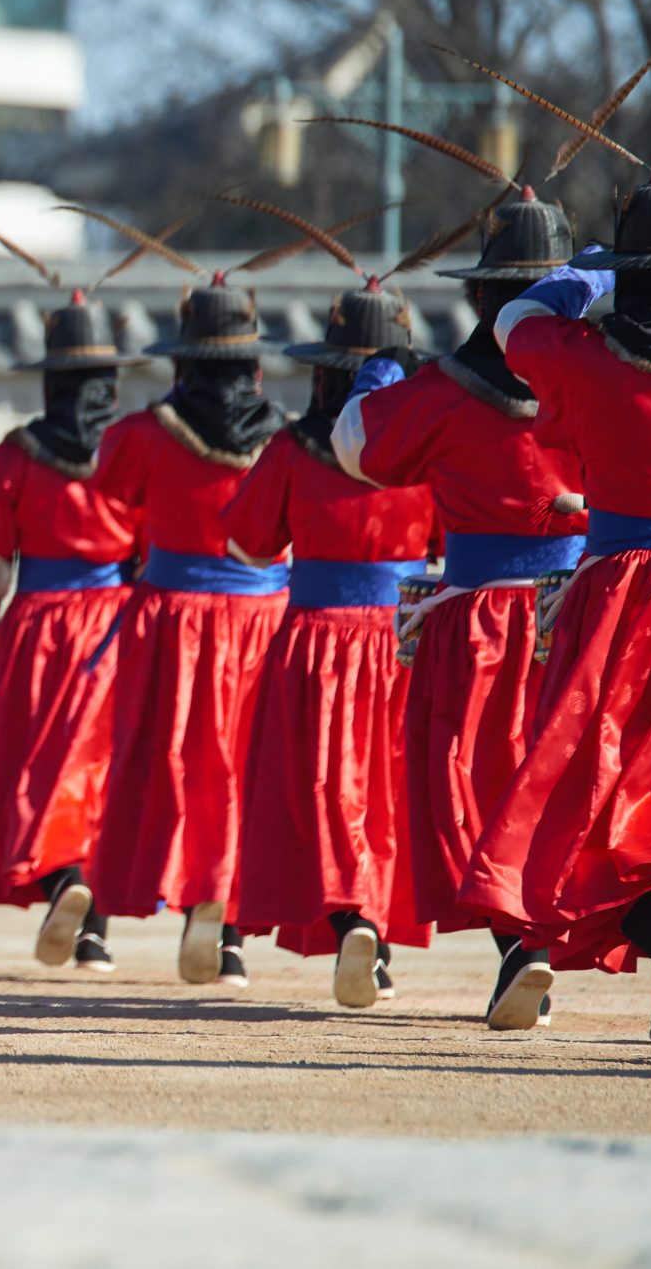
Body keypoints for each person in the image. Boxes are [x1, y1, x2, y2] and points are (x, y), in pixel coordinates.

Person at [459, 171, 651, 1045]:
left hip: (624, 603)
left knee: (594, 797)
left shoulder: (585, 356)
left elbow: (513, 320)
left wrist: (590, 270)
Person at [331, 191, 584, 1029]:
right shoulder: (600, 377)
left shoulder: (440, 393)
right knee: (577, 784)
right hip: (585, 615)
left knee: (467, 785)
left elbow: (358, 447)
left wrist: (379, 374)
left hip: (477, 620)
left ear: (480, 296)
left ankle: (519, 943)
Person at [226, 281, 436, 1007]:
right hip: (404, 638)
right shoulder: (426, 448)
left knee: (324, 785)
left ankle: (353, 917)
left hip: (317, 639)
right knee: (389, 789)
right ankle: (374, 930)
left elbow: (250, 544)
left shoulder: (292, 448)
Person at [87, 281, 289, 988]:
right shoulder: (286, 440)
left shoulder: (141, 436)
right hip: (263, 622)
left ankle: (120, 909)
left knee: (160, 760)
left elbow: (111, 493)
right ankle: (226, 923)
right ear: (252, 365)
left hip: (171, 619)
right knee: (242, 768)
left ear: (183, 360)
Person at [0, 293, 143, 973]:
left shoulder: (16, 456)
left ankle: (65, 881)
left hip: (37, 630)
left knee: (33, 768)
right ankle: (95, 932)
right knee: (104, 774)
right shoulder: (135, 451)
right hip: (118, 631)